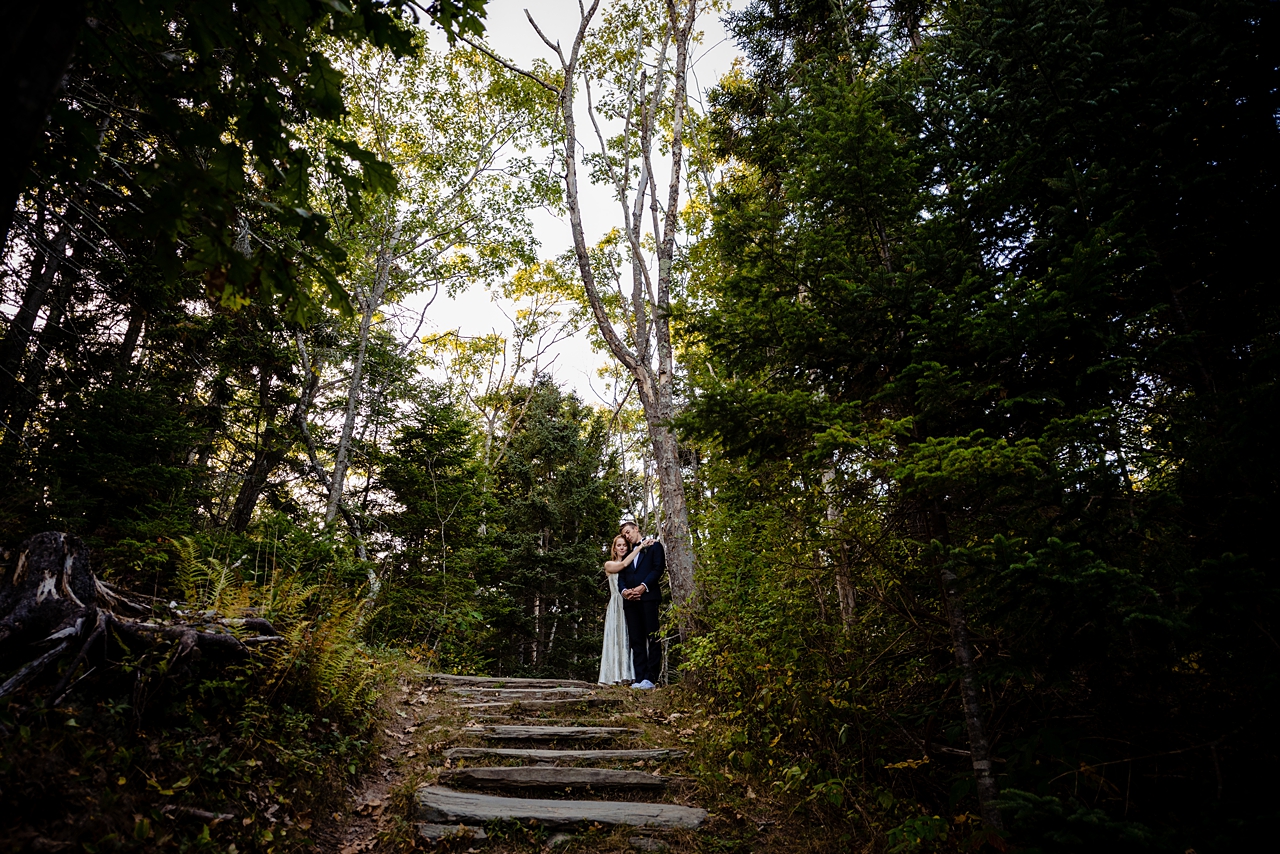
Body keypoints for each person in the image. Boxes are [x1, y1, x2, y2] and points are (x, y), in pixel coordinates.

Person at [617, 521, 664, 689]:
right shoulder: (628, 555)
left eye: (629, 532)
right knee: (636, 640)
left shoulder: (654, 546)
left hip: (649, 598)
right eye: (625, 534)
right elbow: (621, 577)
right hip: (630, 602)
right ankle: (639, 678)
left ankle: (651, 678)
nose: (628, 536)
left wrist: (643, 587)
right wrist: (624, 592)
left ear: (636, 529)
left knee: (653, 637)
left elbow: (658, 569)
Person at [598, 533, 636, 685]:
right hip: (615, 604)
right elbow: (622, 565)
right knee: (616, 638)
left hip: (630, 602)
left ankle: (630, 674)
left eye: (625, 545)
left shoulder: (632, 564)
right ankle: (614, 675)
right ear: (614, 548)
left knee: (630, 638)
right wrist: (639, 548)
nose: (622, 547)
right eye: (619, 545)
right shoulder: (609, 564)